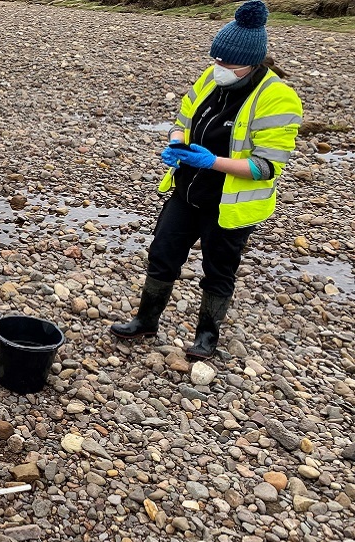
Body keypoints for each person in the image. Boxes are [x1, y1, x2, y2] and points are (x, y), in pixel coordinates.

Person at [111, 1, 302, 361]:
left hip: (229, 205)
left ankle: (207, 337)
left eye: (227, 63)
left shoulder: (278, 98)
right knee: (162, 253)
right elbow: (182, 120)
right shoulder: (211, 77)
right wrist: (176, 143)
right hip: (187, 191)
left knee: (218, 271)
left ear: (251, 62)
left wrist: (212, 161)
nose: (218, 68)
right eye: (216, 59)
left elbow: (266, 167)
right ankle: (145, 320)